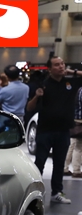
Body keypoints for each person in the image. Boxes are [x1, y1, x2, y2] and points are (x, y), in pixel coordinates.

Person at [27, 56, 79, 205]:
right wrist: (37, 96)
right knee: (40, 162)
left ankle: (56, 192)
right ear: (49, 69)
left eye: (62, 64)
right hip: (45, 130)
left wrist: (72, 72)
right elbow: (29, 108)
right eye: (57, 65)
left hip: (63, 131)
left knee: (59, 163)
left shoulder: (70, 83)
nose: (61, 66)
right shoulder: (43, 85)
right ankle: (33, 192)